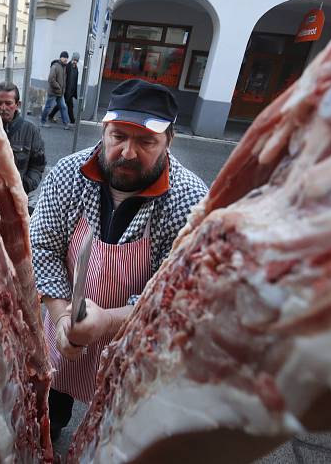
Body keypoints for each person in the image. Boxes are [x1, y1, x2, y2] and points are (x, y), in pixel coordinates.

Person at [30, 78, 209, 441]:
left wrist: (109, 322)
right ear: (104, 130)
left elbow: (177, 297)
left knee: (114, 426)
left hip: (135, 339)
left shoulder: (189, 201)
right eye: (119, 137)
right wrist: (63, 315)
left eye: (146, 141)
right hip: (64, 326)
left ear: (169, 141)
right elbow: (43, 249)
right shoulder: (68, 174)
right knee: (52, 407)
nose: (128, 152)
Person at [0, 81, 46, 212]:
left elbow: (38, 166)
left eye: (8, 103)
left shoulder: (31, 131)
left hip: (17, 200)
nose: (3, 108)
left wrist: (24, 186)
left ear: (17, 105)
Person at [41, 51, 71, 130]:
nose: (66, 59)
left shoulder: (64, 67)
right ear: (60, 57)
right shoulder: (55, 66)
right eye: (64, 57)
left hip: (60, 93)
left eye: (67, 58)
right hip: (54, 92)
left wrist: (62, 89)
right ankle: (43, 122)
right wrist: (58, 87)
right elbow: (51, 79)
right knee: (48, 107)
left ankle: (66, 123)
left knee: (63, 107)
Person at [49, 51, 79, 124]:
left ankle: (51, 115)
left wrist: (74, 91)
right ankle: (71, 121)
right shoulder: (68, 66)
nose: (75, 61)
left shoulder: (76, 68)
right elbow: (63, 77)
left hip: (71, 92)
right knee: (64, 106)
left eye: (76, 60)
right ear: (72, 59)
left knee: (65, 106)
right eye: (74, 60)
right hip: (66, 91)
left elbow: (74, 80)